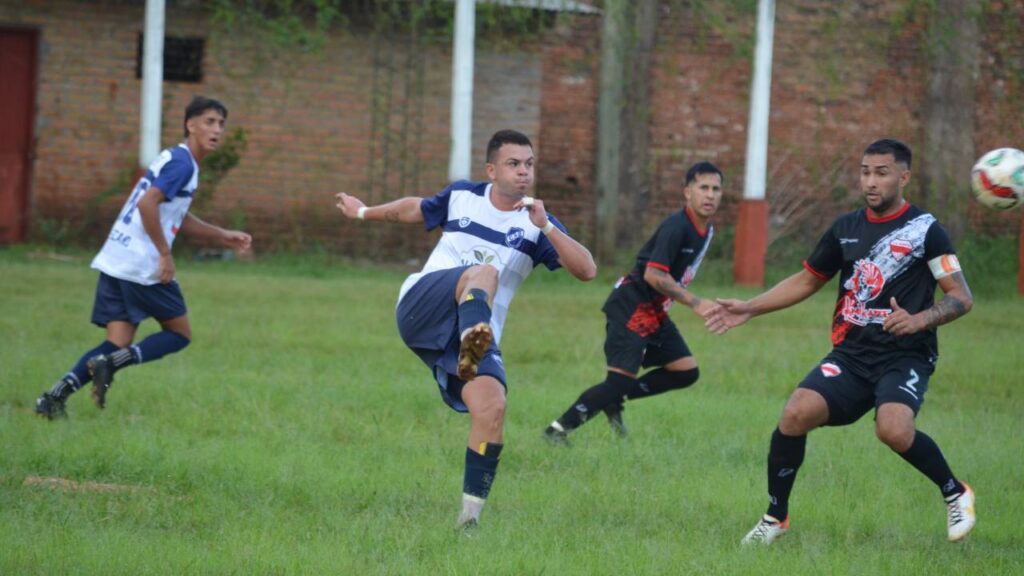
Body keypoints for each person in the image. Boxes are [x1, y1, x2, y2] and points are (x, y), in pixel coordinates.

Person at [705, 139, 976, 544]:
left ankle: (955, 492)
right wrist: (750, 308)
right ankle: (776, 516)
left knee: (893, 430)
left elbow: (961, 297)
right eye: (865, 171)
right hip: (851, 355)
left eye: (881, 173)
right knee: (795, 413)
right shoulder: (845, 229)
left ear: (904, 177)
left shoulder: (926, 231)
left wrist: (918, 320)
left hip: (906, 356)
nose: (870, 181)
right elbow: (808, 279)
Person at [335, 129, 596, 528]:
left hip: (469, 331)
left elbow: (588, 271)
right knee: (483, 273)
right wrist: (361, 212)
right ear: (492, 169)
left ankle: (468, 521)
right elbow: (414, 209)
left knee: (493, 408)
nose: (523, 172)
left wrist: (547, 228)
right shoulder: (462, 197)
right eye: (513, 164)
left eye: (529, 164)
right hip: (422, 305)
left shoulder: (536, 226)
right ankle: (472, 340)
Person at [34, 96, 252, 419]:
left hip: (117, 256)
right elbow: (147, 204)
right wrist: (165, 254)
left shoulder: (176, 158)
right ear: (190, 125)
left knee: (117, 341)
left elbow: (173, 213)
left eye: (221, 123)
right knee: (179, 335)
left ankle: (53, 398)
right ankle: (110, 365)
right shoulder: (184, 164)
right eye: (209, 121)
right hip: (141, 264)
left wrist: (222, 234)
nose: (217, 129)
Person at [542, 162, 724, 443]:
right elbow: (653, 274)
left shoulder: (706, 231)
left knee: (686, 371)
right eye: (703, 188)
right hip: (631, 304)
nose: (710, 195)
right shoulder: (677, 227)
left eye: (716, 189)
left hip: (655, 311)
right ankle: (557, 430)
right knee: (617, 381)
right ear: (688, 192)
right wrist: (696, 303)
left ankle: (613, 399)